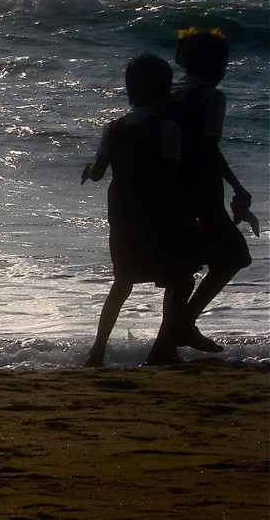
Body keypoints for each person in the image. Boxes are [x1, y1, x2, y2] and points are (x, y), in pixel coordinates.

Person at [82, 53, 201, 366]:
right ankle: (162, 349)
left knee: (122, 283)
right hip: (157, 214)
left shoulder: (113, 128)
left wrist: (89, 168)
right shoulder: (167, 128)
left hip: (122, 214)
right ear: (163, 92)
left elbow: (97, 173)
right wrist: (190, 216)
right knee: (181, 279)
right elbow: (171, 177)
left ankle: (97, 350)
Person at [166, 28, 256, 352]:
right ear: (217, 65)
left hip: (170, 189)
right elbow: (208, 149)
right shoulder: (212, 97)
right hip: (202, 188)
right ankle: (184, 325)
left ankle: (170, 340)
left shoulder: (167, 93)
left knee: (184, 265)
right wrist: (238, 187)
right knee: (236, 254)